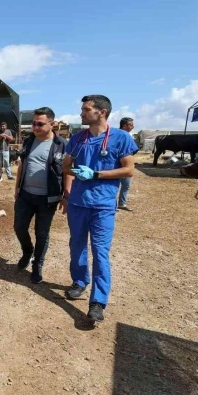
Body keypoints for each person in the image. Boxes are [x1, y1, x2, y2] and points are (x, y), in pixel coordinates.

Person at [63, 95, 138, 323]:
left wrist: (96, 174)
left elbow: (129, 170)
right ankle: (79, 281)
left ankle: (97, 301)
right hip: (78, 203)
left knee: (100, 251)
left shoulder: (120, 138)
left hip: (103, 205)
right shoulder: (77, 139)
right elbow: (66, 166)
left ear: (101, 112)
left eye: (86, 109)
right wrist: (74, 177)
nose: (81, 113)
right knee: (76, 245)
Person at [13, 107, 71, 283]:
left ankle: (38, 264)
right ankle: (27, 251)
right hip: (26, 195)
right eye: (34, 123)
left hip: (48, 198)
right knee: (19, 227)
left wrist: (66, 196)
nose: (35, 127)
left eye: (40, 124)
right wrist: (17, 188)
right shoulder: (29, 141)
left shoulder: (62, 145)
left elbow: (68, 171)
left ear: (51, 124)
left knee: (42, 233)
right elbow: (22, 165)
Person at [117, 117, 135, 211]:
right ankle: (119, 203)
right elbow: (133, 150)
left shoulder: (126, 135)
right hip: (118, 165)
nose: (133, 126)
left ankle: (120, 203)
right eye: (131, 125)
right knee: (117, 184)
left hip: (125, 165)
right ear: (124, 125)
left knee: (124, 185)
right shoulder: (123, 136)